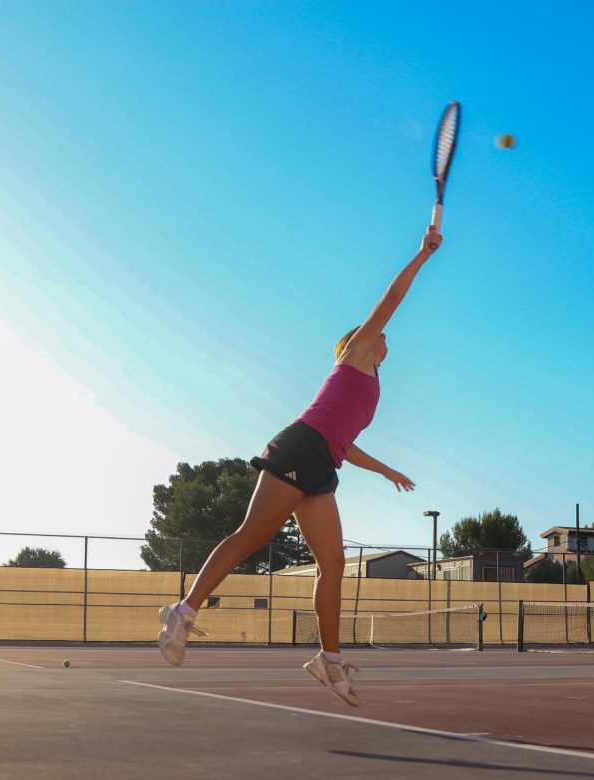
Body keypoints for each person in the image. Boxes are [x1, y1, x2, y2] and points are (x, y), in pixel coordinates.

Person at [156, 224, 443, 707]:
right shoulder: (355, 355)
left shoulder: (372, 388)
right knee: (254, 534)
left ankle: (329, 662)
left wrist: (387, 470)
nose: (385, 333)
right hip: (297, 447)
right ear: (360, 339)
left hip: (322, 465)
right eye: (378, 331)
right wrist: (423, 255)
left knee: (333, 566)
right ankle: (183, 613)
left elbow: (345, 445)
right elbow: (393, 298)